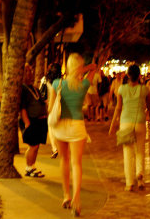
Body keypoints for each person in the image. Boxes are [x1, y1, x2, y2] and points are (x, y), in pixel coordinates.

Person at [48, 53, 97, 217]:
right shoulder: (83, 84)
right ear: (79, 67)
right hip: (77, 127)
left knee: (64, 160)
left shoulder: (57, 84)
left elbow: (50, 109)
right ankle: (77, 198)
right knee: (77, 163)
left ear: (67, 66)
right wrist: (86, 68)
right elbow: (94, 68)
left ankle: (66, 196)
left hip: (61, 126)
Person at [109, 65, 150, 192]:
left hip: (125, 122)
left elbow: (118, 107)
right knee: (140, 151)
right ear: (139, 76)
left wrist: (112, 125)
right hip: (139, 122)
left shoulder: (121, 89)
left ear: (127, 75)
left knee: (128, 154)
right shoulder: (144, 89)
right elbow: (149, 104)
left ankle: (130, 183)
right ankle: (140, 176)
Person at [19, 63, 48, 178]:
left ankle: (32, 166)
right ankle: (29, 167)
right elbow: (22, 108)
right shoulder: (23, 89)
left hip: (40, 121)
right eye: (27, 72)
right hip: (32, 121)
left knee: (36, 146)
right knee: (33, 146)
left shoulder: (34, 88)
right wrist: (27, 123)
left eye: (31, 71)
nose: (30, 74)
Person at [43, 63, 62, 158]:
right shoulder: (61, 81)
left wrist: (48, 108)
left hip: (51, 106)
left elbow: (44, 93)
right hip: (61, 106)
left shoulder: (46, 81)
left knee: (51, 128)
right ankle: (58, 147)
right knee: (58, 127)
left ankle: (54, 148)